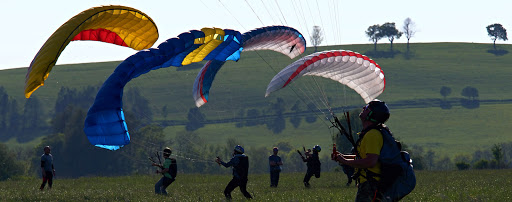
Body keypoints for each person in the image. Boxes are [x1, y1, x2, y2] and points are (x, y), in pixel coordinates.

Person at [332, 99, 391, 202]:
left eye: (367, 108)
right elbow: (364, 158)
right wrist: (342, 157)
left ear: (372, 115)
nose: (364, 108)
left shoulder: (373, 135)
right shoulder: (369, 134)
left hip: (371, 185)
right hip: (369, 183)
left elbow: (370, 161)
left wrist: (345, 161)